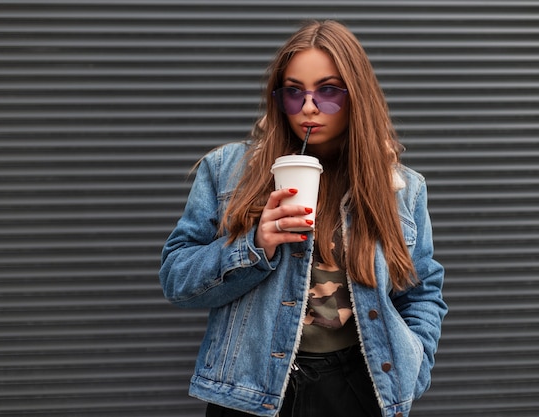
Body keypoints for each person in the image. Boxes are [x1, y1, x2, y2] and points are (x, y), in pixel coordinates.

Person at [159, 20, 447, 417]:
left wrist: (413, 367)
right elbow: (176, 278)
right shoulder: (227, 171)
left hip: (359, 387)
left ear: (356, 96)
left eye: (328, 92)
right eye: (294, 94)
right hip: (251, 392)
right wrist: (254, 246)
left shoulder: (401, 188)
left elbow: (422, 292)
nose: (309, 107)